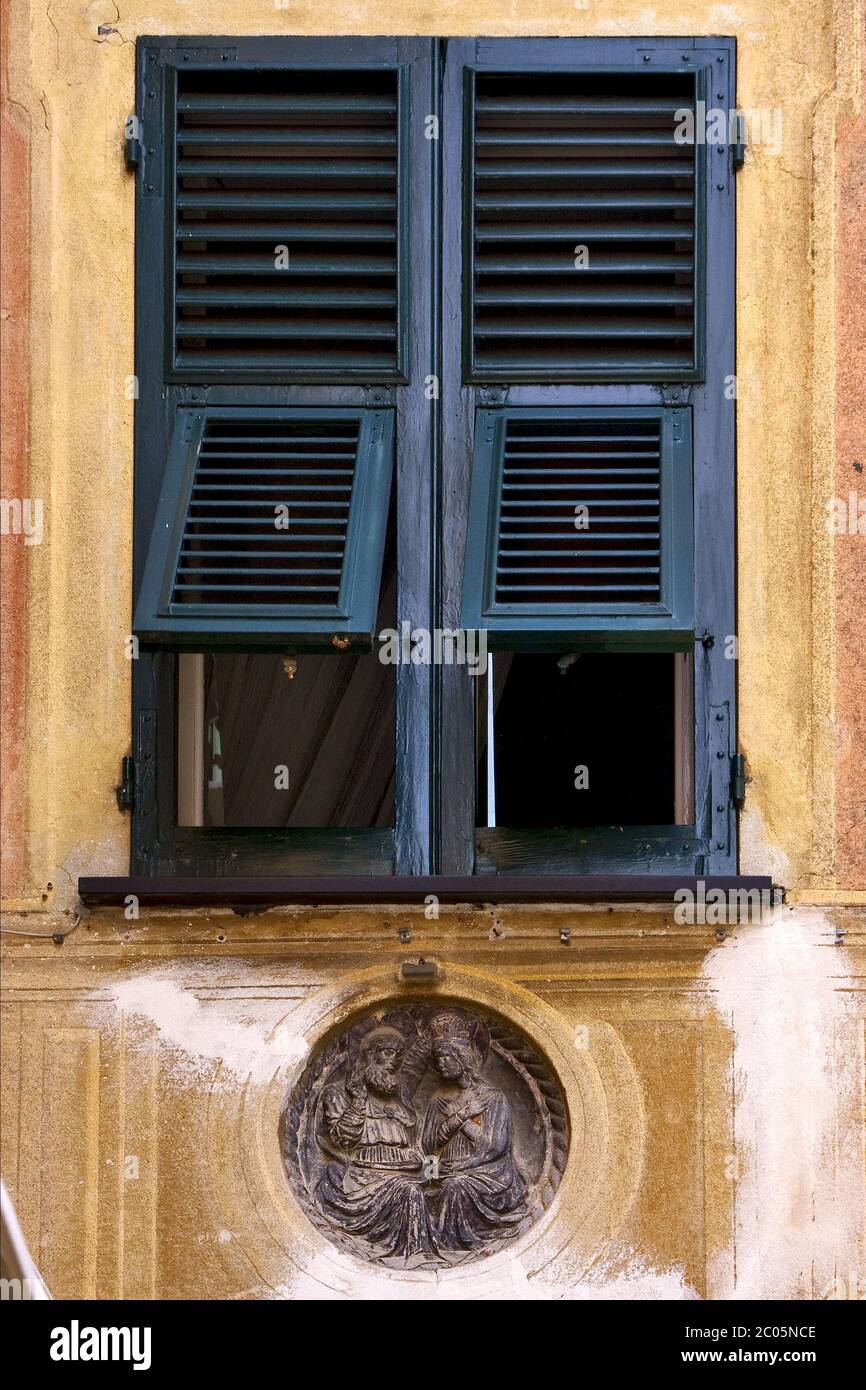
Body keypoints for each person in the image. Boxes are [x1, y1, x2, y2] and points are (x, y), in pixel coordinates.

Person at [316, 1025, 431, 1257]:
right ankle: (414, 1256)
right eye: (388, 1053)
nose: (395, 1063)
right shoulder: (337, 1094)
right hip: (362, 1177)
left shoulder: (401, 1098)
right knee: (409, 1193)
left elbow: (417, 1064)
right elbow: (342, 1139)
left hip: (409, 1170)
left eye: (399, 1056)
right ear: (370, 1055)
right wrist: (358, 1101)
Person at [422, 1010, 528, 1250]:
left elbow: (494, 1146)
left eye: (448, 1057)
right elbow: (429, 1145)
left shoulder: (493, 1098)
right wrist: (460, 1115)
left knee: (456, 1187)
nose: (442, 1064)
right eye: (438, 1059)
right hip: (446, 1168)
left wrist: (465, 1120)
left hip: (486, 1171)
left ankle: (451, 1245)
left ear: (463, 1057)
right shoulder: (438, 1099)